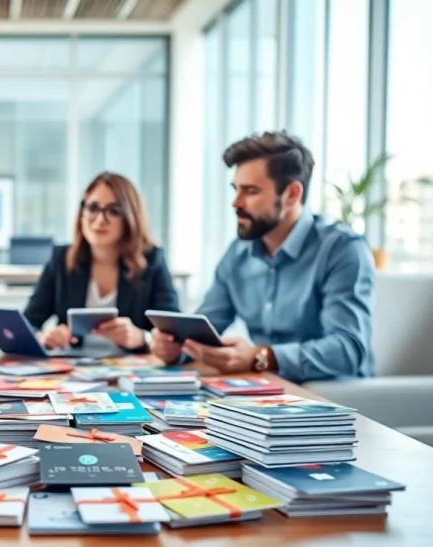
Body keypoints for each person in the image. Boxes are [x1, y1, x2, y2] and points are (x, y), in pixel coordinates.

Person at [151, 131, 375, 383]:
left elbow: (347, 350)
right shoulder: (238, 254)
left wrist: (260, 357)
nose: (236, 202)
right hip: (265, 391)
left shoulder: (342, 249)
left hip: (332, 397)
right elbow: (205, 329)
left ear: (292, 194)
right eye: (236, 190)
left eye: (250, 191)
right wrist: (175, 348)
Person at [24, 172, 179, 352]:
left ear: (130, 218)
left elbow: (174, 333)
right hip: (71, 369)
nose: (99, 220)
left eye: (113, 211)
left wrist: (142, 338)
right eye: (92, 208)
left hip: (129, 368)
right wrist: (43, 337)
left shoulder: (152, 261)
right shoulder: (61, 259)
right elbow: (28, 323)